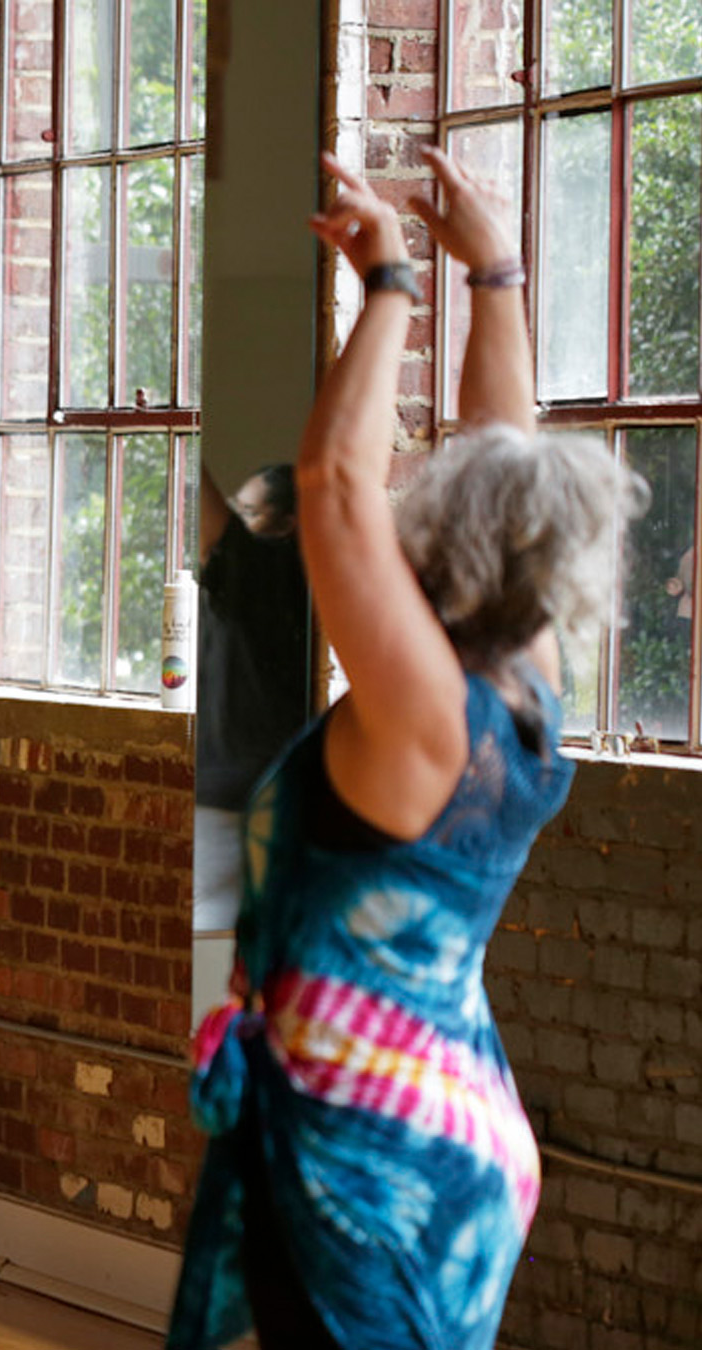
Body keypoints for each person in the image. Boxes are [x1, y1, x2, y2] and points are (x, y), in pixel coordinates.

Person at [166, 152, 647, 1350]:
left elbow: (332, 487)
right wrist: (495, 275)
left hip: (364, 1155)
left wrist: (389, 286)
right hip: (445, 1132)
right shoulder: (517, 692)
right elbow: (506, 463)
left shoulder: (426, 717)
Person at [192, 460, 309, 935]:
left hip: (233, 811)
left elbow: (207, 521)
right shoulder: (302, 589)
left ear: (286, 523)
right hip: (271, 806)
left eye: (248, 512)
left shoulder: (267, 573)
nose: (237, 523)